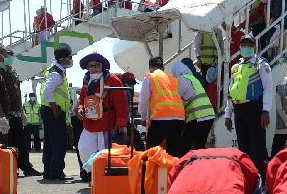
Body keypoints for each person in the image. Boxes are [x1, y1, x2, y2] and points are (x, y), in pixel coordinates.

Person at [74, 53, 128, 183]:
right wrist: (80, 108)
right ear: (87, 67)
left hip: (107, 123)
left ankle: (102, 179)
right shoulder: (86, 80)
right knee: (84, 147)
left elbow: (121, 103)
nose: (94, 68)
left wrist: (121, 123)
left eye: (97, 65)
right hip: (89, 123)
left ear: (102, 66)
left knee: (104, 153)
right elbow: (82, 98)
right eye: (91, 66)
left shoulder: (113, 80)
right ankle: (94, 172)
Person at [224, 35, 272, 179]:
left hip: (255, 108)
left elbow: (268, 88)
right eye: (244, 45)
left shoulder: (261, 64)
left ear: (254, 47)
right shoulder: (235, 67)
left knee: (258, 147)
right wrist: (228, 114)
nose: (246, 48)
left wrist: (265, 110)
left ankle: (262, 180)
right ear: (240, 47)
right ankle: (248, 178)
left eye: (249, 45)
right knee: (243, 147)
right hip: (239, 110)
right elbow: (231, 90)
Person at [2, 64, 43, 177]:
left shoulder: (12, 72)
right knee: (10, 144)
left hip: (16, 114)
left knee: (22, 144)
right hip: (8, 114)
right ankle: (13, 168)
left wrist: (21, 112)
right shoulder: (1, 73)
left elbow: (17, 95)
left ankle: (26, 167)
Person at [139, 56, 185, 157]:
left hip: (161, 117)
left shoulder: (150, 77)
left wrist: (143, 117)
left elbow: (143, 100)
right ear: (163, 68)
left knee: (152, 150)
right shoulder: (172, 79)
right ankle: (174, 172)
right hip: (179, 117)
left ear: (150, 68)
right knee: (174, 152)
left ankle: (152, 171)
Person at [40, 45, 74, 181]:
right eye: (70, 58)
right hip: (53, 111)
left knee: (50, 142)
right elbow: (47, 91)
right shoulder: (56, 73)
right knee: (60, 142)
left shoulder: (53, 70)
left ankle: (49, 172)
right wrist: (54, 107)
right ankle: (56, 172)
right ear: (64, 59)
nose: (71, 60)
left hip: (49, 110)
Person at [171, 59, 215, 154]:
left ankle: (181, 166)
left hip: (197, 116)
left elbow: (176, 99)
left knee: (184, 146)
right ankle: (199, 167)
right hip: (209, 115)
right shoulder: (193, 78)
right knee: (199, 146)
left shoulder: (182, 80)